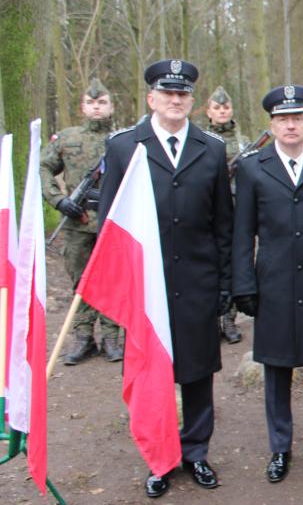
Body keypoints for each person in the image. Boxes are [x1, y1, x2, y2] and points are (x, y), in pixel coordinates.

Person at [98, 59, 233, 498]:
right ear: (151, 99)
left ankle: (196, 453)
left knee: (197, 373)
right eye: (167, 93)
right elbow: (109, 224)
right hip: (145, 284)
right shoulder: (124, 147)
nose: (175, 100)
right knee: (152, 373)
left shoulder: (211, 148)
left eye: (183, 94)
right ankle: (160, 459)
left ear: (192, 102)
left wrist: (225, 282)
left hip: (197, 279)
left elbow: (223, 224)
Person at [231, 85, 303, 483]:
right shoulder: (252, 168)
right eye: (283, 119)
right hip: (273, 284)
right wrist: (243, 283)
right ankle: (280, 448)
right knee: (276, 370)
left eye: (297, 118)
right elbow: (242, 232)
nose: (291, 125)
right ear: (272, 124)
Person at [42, 77, 123, 364]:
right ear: (82, 107)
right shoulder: (67, 138)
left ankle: (113, 337)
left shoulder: (123, 139)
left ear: (111, 106)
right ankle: (83, 337)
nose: (97, 108)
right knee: (81, 281)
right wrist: (58, 201)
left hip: (113, 222)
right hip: (78, 223)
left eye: (102, 103)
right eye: (91, 103)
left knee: (113, 279)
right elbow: (44, 167)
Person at [205, 85, 247, 344]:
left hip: (236, 210)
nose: (222, 112)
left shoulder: (243, 141)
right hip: (209, 211)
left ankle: (229, 321)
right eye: (217, 108)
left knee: (233, 264)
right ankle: (210, 318)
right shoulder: (200, 140)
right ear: (208, 112)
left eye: (226, 108)